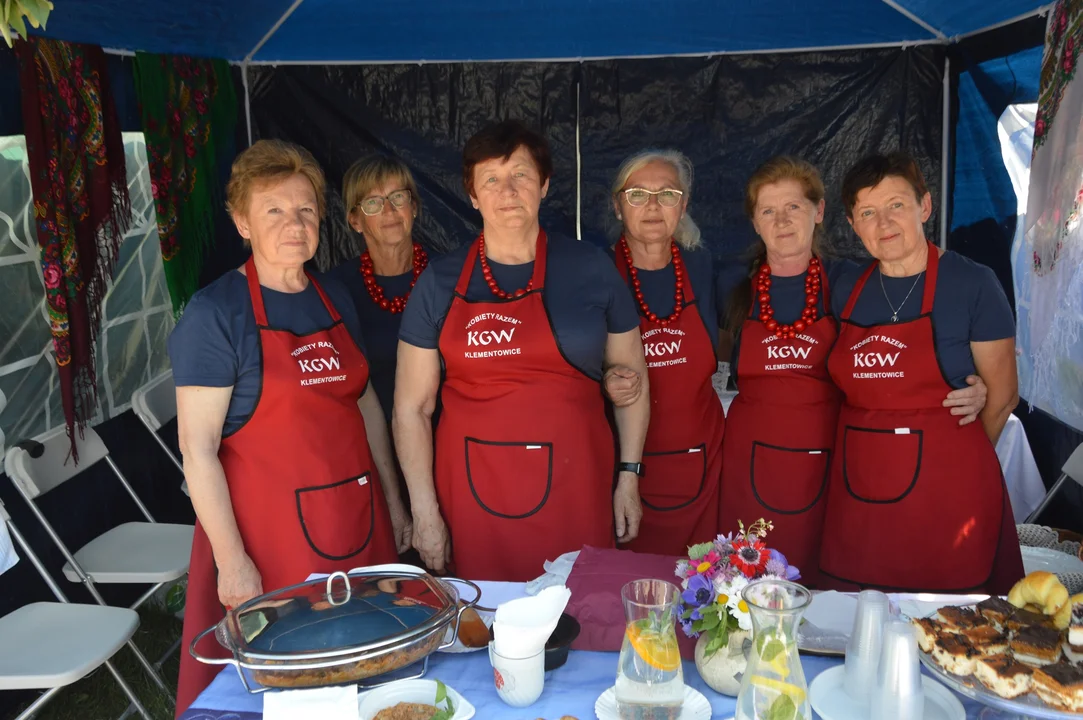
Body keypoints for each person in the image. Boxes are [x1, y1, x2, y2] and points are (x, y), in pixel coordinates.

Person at [170, 140, 410, 715]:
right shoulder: (216, 313)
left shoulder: (335, 295)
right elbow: (197, 449)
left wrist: (395, 504)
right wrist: (231, 560)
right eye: (274, 210)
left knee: (373, 663)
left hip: (359, 520)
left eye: (305, 209)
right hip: (273, 541)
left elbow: (366, 407)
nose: (293, 223)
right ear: (241, 221)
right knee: (294, 685)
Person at [394, 119, 651, 582]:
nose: (507, 190)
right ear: (472, 194)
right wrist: (424, 510)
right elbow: (411, 408)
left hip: (578, 488)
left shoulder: (591, 268)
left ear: (545, 184)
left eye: (521, 175)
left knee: (581, 614)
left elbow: (633, 377)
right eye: (491, 179)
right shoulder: (438, 282)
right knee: (485, 624)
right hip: (470, 496)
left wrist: (629, 475)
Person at [718, 156, 990, 586]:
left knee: (817, 587)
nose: (782, 220)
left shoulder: (851, 281)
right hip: (747, 462)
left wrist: (970, 387)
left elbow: (899, 347)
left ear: (820, 212)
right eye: (768, 210)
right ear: (754, 222)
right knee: (743, 585)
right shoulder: (730, 287)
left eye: (794, 207)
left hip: (827, 465)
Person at [818, 151, 1023, 593]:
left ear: (924, 207)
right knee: (857, 620)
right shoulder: (846, 287)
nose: (883, 222)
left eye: (896, 205)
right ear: (853, 225)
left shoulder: (973, 283)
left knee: (951, 629)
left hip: (945, 498)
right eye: (867, 212)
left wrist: (951, 457)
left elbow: (1003, 394)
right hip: (861, 495)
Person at [605, 149, 726, 556]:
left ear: (684, 205)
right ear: (618, 206)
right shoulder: (595, 273)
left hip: (701, 471)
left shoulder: (704, 268)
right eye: (637, 194)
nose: (653, 206)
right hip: (619, 470)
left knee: (704, 598)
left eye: (667, 194)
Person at [330, 155, 429, 424]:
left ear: (414, 207)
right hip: (370, 439)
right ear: (355, 221)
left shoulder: (445, 278)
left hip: (449, 439)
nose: (388, 211)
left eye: (398, 197)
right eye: (372, 203)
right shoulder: (336, 291)